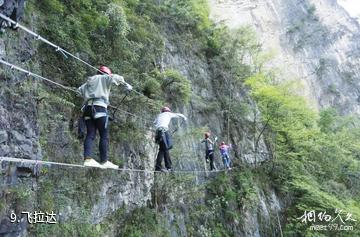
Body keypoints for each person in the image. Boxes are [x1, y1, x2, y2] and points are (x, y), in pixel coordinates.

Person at [78, 65, 132, 169]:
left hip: (88, 110)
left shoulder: (88, 82)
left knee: (90, 134)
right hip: (100, 108)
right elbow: (117, 78)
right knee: (104, 135)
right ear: (106, 74)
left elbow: (79, 90)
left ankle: (87, 159)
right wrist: (126, 85)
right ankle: (104, 161)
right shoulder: (104, 78)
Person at [154, 106, 187, 172]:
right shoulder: (168, 114)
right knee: (165, 148)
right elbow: (177, 115)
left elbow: (154, 123)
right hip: (164, 131)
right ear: (168, 111)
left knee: (163, 149)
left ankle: (162, 167)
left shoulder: (159, 115)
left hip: (159, 132)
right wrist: (184, 117)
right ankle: (166, 167)